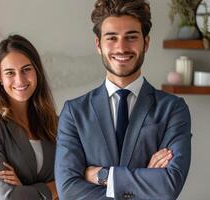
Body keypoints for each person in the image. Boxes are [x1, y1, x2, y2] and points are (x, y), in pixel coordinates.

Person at [54, 0, 192, 199]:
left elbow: (168, 186)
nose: (121, 47)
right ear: (98, 44)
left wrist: (103, 176)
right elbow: (68, 190)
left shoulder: (173, 109)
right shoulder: (74, 112)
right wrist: (146, 181)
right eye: (111, 38)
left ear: (146, 43)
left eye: (131, 37)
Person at [0, 34, 58, 200]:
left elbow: (75, 184)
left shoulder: (57, 123)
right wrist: (55, 187)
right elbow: (8, 197)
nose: (20, 80)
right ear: (0, 78)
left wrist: (25, 190)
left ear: (37, 72)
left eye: (26, 69)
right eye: (10, 72)